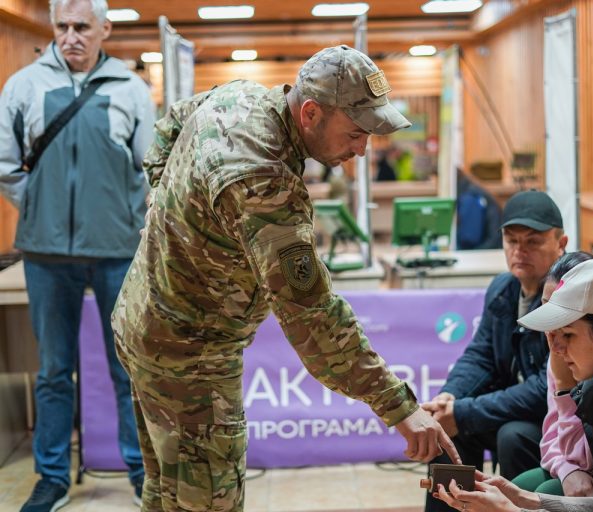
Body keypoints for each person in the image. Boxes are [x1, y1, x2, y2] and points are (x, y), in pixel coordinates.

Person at [111, 44, 460, 512]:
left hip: (145, 323)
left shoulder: (241, 97)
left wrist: (162, 200)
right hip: (190, 358)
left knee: (167, 494)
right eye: (356, 133)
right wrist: (399, 407)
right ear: (311, 112)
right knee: (209, 504)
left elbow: (174, 120)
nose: (362, 150)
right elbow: (313, 318)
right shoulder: (263, 182)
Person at [0, 0, 155, 510]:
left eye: (81, 27)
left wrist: (113, 215)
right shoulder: (23, 86)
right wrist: (40, 207)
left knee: (127, 368)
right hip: (45, 254)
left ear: (103, 29)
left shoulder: (129, 89)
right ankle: (52, 477)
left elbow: (148, 167)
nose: (70, 36)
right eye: (62, 27)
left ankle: (140, 473)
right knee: (52, 371)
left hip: (116, 250)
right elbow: (5, 164)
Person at [435, 258, 593, 512]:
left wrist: (511, 510)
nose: (554, 347)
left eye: (567, 334)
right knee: (525, 486)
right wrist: (521, 498)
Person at [422, 190, 568, 512]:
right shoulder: (503, 289)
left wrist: (464, 412)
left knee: (511, 435)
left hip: (556, 422)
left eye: (532, 241)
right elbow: (480, 355)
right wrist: (450, 398)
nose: (520, 250)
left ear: (561, 243)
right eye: (512, 240)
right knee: (449, 430)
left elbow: (546, 387)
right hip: (512, 410)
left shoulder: (568, 296)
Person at [512, 251, 593, 497]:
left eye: (558, 310)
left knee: (547, 491)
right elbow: (551, 441)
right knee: (515, 487)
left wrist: (563, 386)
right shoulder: (559, 355)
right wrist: (565, 469)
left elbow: (586, 458)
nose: (553, 337)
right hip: (576, 461)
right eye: (544, 306)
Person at [456, 170, 503, 251]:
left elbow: (469, 239)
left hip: (487, 253)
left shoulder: (469, 198)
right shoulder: (472, 190)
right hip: (491, 249)